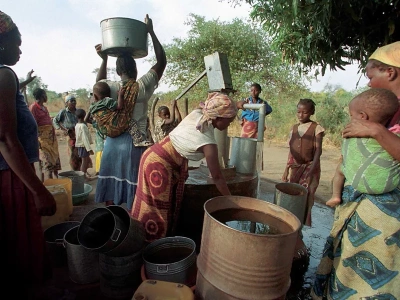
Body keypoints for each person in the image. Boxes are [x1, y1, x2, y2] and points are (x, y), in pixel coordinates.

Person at [312, 42, 400, 300]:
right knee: (346, 267)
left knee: (373, 281)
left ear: (390, 73)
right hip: (360, 210)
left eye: (372, 76)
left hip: (386, 219)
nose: (370, 84)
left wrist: (375, 131)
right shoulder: (388, 111)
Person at [131, 91, 238, 243]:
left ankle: (142, 240)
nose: (229, 124)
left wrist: (237, 104)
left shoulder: (199, 113)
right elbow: (217, 177)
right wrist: (232, 201)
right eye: (229, 120)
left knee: (150, 205)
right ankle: (151, 251)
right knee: (157, 211)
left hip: (152, 155)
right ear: (219, 117)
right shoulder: (208, 143)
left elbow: (215, 107)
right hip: (159, 165)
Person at [0, 10, 56, 297]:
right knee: (22, 249)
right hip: (12, 177)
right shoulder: (4, 74)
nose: (20, 50)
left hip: (11, 173)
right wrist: (38, 191)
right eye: (16, 42)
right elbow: (6, 139)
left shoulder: (8, 79)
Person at [94, 14, 167, 210]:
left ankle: (112, 227)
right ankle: (132, 231)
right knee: (135, 195)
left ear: (118, 71)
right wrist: (150, 31)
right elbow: (162, 61)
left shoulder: (111, 87)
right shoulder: (142, 87)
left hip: (112, 145)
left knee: (111, 197)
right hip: (134, 146)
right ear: (135, 69)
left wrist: (104, 59)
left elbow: (97, 85)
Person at [326, 89, 400, 208]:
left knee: (340, 171)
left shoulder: (355, 132)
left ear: (362, 116)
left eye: (351, 115)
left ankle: (335, 196)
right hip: (386, 185)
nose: (370, 83)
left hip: (362, 187)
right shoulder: (393, 133)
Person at [281, 98, 325, 259]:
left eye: (305, 112)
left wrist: (313, 168)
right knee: (293, 198)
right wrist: (286, 170)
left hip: (310, 167)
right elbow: (291, 151)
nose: (301, 115)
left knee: (306, 198)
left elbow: (318, 150)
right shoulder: (294, 128)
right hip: (295, 167)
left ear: (311, 112)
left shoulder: (317, 128)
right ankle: (291, 228)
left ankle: (299, 231)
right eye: (298, 111)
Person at [88, 81, 151, 146]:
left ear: (95, 96)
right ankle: (138, 140)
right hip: (114, 126)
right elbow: (119, 106)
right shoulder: (107, 101)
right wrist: (120, 95)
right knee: (131, 122)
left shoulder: (92, 106)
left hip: (104, 131)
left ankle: (104, 140)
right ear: (109, 94)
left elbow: (90, 118)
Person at [29, 87, 61, 180]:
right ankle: (48, 185)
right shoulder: (33, 107)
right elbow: (33, 125)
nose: (46, 96)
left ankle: (57, 183)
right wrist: (37, 141)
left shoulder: (45, 108)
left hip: (51, 139)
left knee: (54, 162)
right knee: (47, 164)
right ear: (42, 96)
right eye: (45, 94)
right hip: (42, 140)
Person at [53, 94, 83, 171]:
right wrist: (61, 129)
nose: (73, 102)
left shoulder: (77, 111)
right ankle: (74, 172)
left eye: (74, 101)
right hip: (70, 134)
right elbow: (55, 120)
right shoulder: (63, 112)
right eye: (71, 101)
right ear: (66, 103)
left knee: (80, 153)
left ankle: (81, 171)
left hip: (79, 134)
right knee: (72, 154)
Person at [75, 108, 95, 179]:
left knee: (85, 161)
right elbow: (84, 139)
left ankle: (84, 176)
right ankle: (82, 177)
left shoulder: (77, 125)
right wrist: (89, 149)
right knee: (84, 162)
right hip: (83, 146)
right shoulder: (83, 126)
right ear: (84, 116)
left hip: (81, 145)